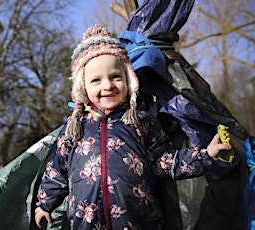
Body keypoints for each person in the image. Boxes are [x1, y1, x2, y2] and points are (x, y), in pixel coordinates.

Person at [34, 24, 238, 230]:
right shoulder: (75, 126)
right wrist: (44, 204)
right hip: (86, 223)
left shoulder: (140, 120)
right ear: (82, 86)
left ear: (128, 79)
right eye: (96, 80)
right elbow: (57, 170)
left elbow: (164, 162)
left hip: (139, 222)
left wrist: (206, 154)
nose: (108, 85)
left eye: (115, 76)